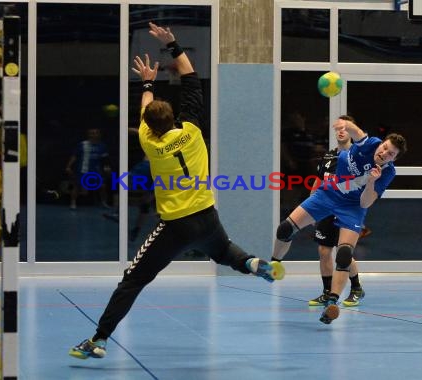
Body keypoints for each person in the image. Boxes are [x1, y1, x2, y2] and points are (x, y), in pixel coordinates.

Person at [69, 22, 284, 360]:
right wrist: (173, 44)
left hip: (176, 225)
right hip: (207, 215)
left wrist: (148, 81)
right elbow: (191, 79)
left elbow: (145, 105)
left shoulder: (149, 141)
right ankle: (254, 263)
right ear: (175, 118)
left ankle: (99, 339)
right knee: (225, 251)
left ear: (150, 127)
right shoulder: (194, 130)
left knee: (132, 280)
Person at [271, 116, 407, 324]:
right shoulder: (370, 144)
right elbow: (356, 131)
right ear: (381, 143)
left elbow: (364, 203)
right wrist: (344, 125)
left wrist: (371, 182)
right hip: (328, 194)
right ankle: (274, 265)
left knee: (343, 254)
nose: (384, 153)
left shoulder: (387, 173)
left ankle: (332, 302)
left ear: (393, 159)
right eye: (385, 148)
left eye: (391, 154)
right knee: (284, 229)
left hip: (352, 207)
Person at [306, 119, 364, 308]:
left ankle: (356, 289)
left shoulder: (358, 157)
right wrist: (310, 209)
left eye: (345, 129)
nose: (341, 131)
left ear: (352, 132)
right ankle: (326, 292)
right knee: (323, 250)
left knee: (343, 252)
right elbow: (317, 183)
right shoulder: (328, 156)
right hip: (326, 207)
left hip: (347, 209)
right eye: (338, 128)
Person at [65, 127, 111, 209]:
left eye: (95, 133)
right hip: (83, 169)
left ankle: (103, 202)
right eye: (91, 133)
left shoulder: (102, 146)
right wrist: (68, 166)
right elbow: (74, 156)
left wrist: (107, 167)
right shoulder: (82, 144)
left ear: (99, 134)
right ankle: (73, 203)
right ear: (88, 135)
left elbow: (105, 159)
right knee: (77, 186)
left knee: (102, 187)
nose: (94, 134)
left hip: (96, 170)